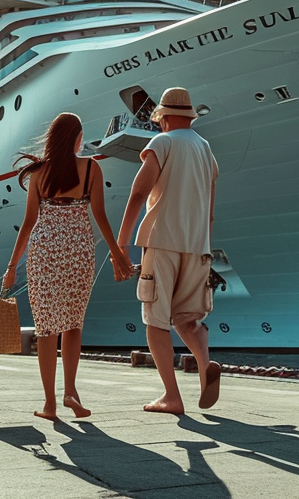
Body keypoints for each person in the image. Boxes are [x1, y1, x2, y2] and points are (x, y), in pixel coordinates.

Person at [3, 112, 133, 421]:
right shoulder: (91, 169)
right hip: (79, 253)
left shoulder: (38, 174)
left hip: (44, 254)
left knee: (47, 328)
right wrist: (116, 254)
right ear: (75, 139)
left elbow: (28, 223)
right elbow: (100, 216)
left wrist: (11, 267)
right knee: (74, 324)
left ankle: (49, 404)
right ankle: (71, 391)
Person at [116, 87, 221, 415]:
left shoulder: (163, 143)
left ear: (166, 117)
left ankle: (171, 397)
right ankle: (205, 365)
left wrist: (121, 243)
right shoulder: (206, 149)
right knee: (186, 318)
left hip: (162, 241)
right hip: (197, 246)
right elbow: (211, 210)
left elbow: (138, 192)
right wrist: (203, 245)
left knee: (156, 320)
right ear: (189, 116)